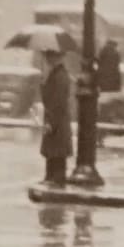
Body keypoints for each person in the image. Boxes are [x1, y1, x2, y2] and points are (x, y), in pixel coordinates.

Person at [40, 48, 73, 185]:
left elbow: (57, 101)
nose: (47, 59)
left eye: (49, 56)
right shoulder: (55, 74)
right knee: (53, 149)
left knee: (56, 149)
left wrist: (51, 121)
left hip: (57, 120)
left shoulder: (60, 76)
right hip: (55, 118)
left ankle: (55, 178)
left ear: (57, 57)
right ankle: (51, 177)